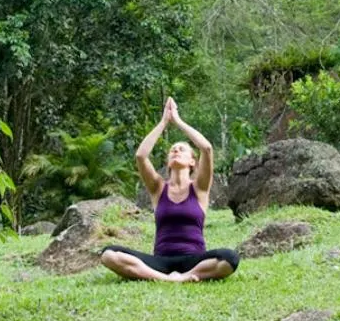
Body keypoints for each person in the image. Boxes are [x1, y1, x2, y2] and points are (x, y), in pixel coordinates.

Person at [100, 97, 239, 282]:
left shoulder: (199, 188)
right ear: (167, 162)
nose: (176, 151)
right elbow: (141, 156)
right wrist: (164, 121)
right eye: (172, 150)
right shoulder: (158, 188)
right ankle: (167, 279)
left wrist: (178, 121)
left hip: (194, 260)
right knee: (109, 255)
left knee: (230, 258)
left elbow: (206, 148)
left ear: (192, 162)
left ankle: (184, 276)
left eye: (181, 149)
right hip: (161, 261)